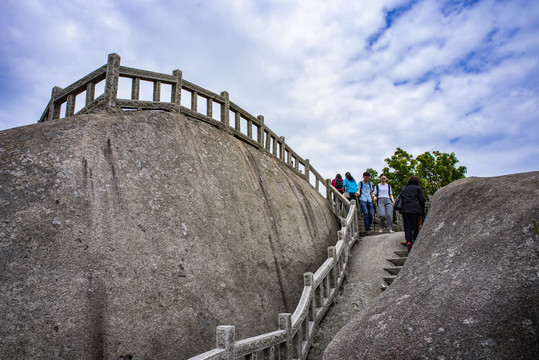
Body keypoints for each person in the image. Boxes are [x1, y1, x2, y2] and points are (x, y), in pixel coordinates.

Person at [397, 175, 425, 251]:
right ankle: (415, 242)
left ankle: (409, 241)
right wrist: (422, 211)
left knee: (407, 227)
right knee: (415, 227)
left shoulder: (404, 189)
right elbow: (422, 200)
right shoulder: (418, 189)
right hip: (415, 210)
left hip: (405, 210)